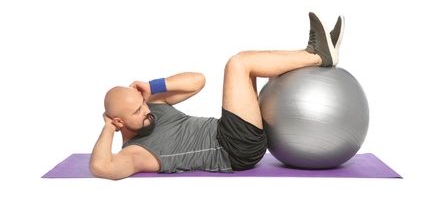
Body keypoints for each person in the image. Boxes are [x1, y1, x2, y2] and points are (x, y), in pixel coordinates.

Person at [89, 12, 345, 180]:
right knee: (239, 64)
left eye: (141, 104)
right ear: (118, 121)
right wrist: (108, 129)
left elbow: (197, 81)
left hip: (230, 131)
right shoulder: (137, 153)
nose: (145, 110)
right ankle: (318, 55)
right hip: (233, 150)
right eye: (136, 112)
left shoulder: (153, 108)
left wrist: (152, 86)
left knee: (247, 67)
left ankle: (319, 52)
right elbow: (102, 168)